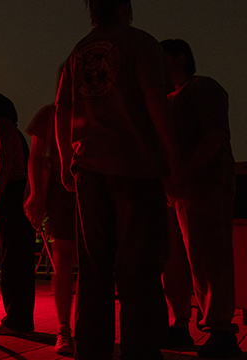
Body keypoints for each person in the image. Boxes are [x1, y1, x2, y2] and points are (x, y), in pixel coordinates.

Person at [55, 1, 182, 359]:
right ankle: (139, 350)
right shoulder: (142, 43)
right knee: (139, 265)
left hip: (89, 169)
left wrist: (67, 163)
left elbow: (63, 110)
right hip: (135, 165)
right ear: (126, 7)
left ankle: (91, 350)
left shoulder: (77, 52)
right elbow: (155, 97)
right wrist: (172, 155)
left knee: (94, 266)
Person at [160, 39, 241, 358]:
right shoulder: (165, 99)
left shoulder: (202, 88)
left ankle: (220, 329)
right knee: (174, 261)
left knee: (208, 258)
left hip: (202, 186)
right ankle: (179, 324)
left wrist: (185, 169)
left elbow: (215, 133)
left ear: (179, 58)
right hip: (173, 189)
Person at [0, 92, 37, 335]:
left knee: (13, 261)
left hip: (12, 196)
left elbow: (7, 164)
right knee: (19, 260)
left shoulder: (3, 125)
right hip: (18, 196)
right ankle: (20, 319)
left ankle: (15, 320)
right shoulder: (9, 126)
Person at [25, 92, 77, 355]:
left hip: (92, 188)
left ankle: (78, 327)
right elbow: (36, 157)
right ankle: (64, 327)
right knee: (64, 259)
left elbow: (36, 157)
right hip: (64, 192)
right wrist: (36, 195)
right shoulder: (51, 112)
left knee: (92, 262)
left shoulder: (94, 109)